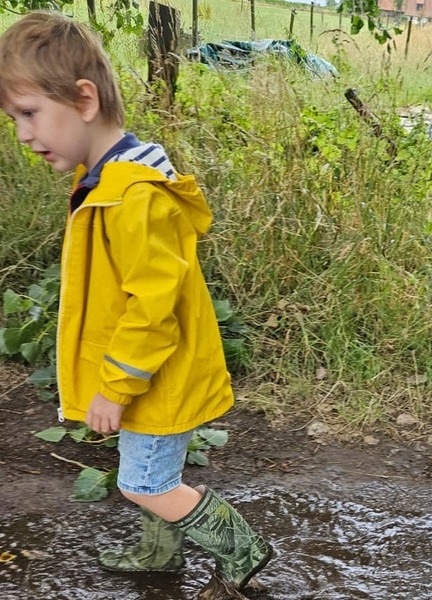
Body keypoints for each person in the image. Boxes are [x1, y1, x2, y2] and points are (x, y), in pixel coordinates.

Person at [0, 11, 273, 599]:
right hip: (148, 372)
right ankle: (158, 553)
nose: (22, 134)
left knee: (146, 484)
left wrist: (116, 385)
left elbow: (153, 307)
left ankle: (242, 551)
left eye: (29, 114)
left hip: (155, 375)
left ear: (84, 99)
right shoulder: (109, 179)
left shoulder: (132, 197)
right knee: (146, 472)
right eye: (14, 118)